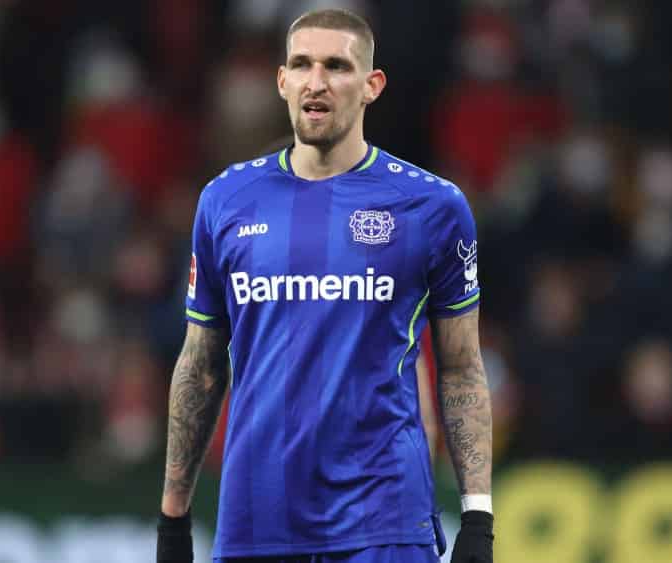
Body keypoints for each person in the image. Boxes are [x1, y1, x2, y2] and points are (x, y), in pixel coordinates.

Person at [157, 9, 494, 563]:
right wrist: (173, 519)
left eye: (336, 66)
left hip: (385, 522)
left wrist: (477, 515)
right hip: (256, 522)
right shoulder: (225, 201)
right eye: (302, 64)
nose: (316, 81)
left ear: (371, 85)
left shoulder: (432, 206)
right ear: (282, 81)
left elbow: (461, 367)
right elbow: (201, 366)